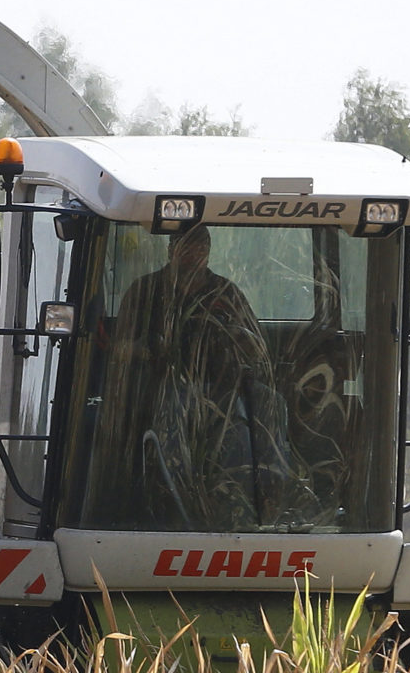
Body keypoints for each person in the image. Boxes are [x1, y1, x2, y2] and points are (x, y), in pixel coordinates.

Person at [90, 225, 303, 528]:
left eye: (200, 248)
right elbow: (119, 350)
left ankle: (271, 497)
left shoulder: (226, 293)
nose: (193, 255)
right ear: (170, 250)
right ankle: (172, 500)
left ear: (208, 251)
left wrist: (236, 344)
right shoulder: (146, 291)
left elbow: (255, 346)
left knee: (273, 404)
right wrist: (152, 350)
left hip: (223, 391)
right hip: (163, 387)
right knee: (180, 407)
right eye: (185, 247)